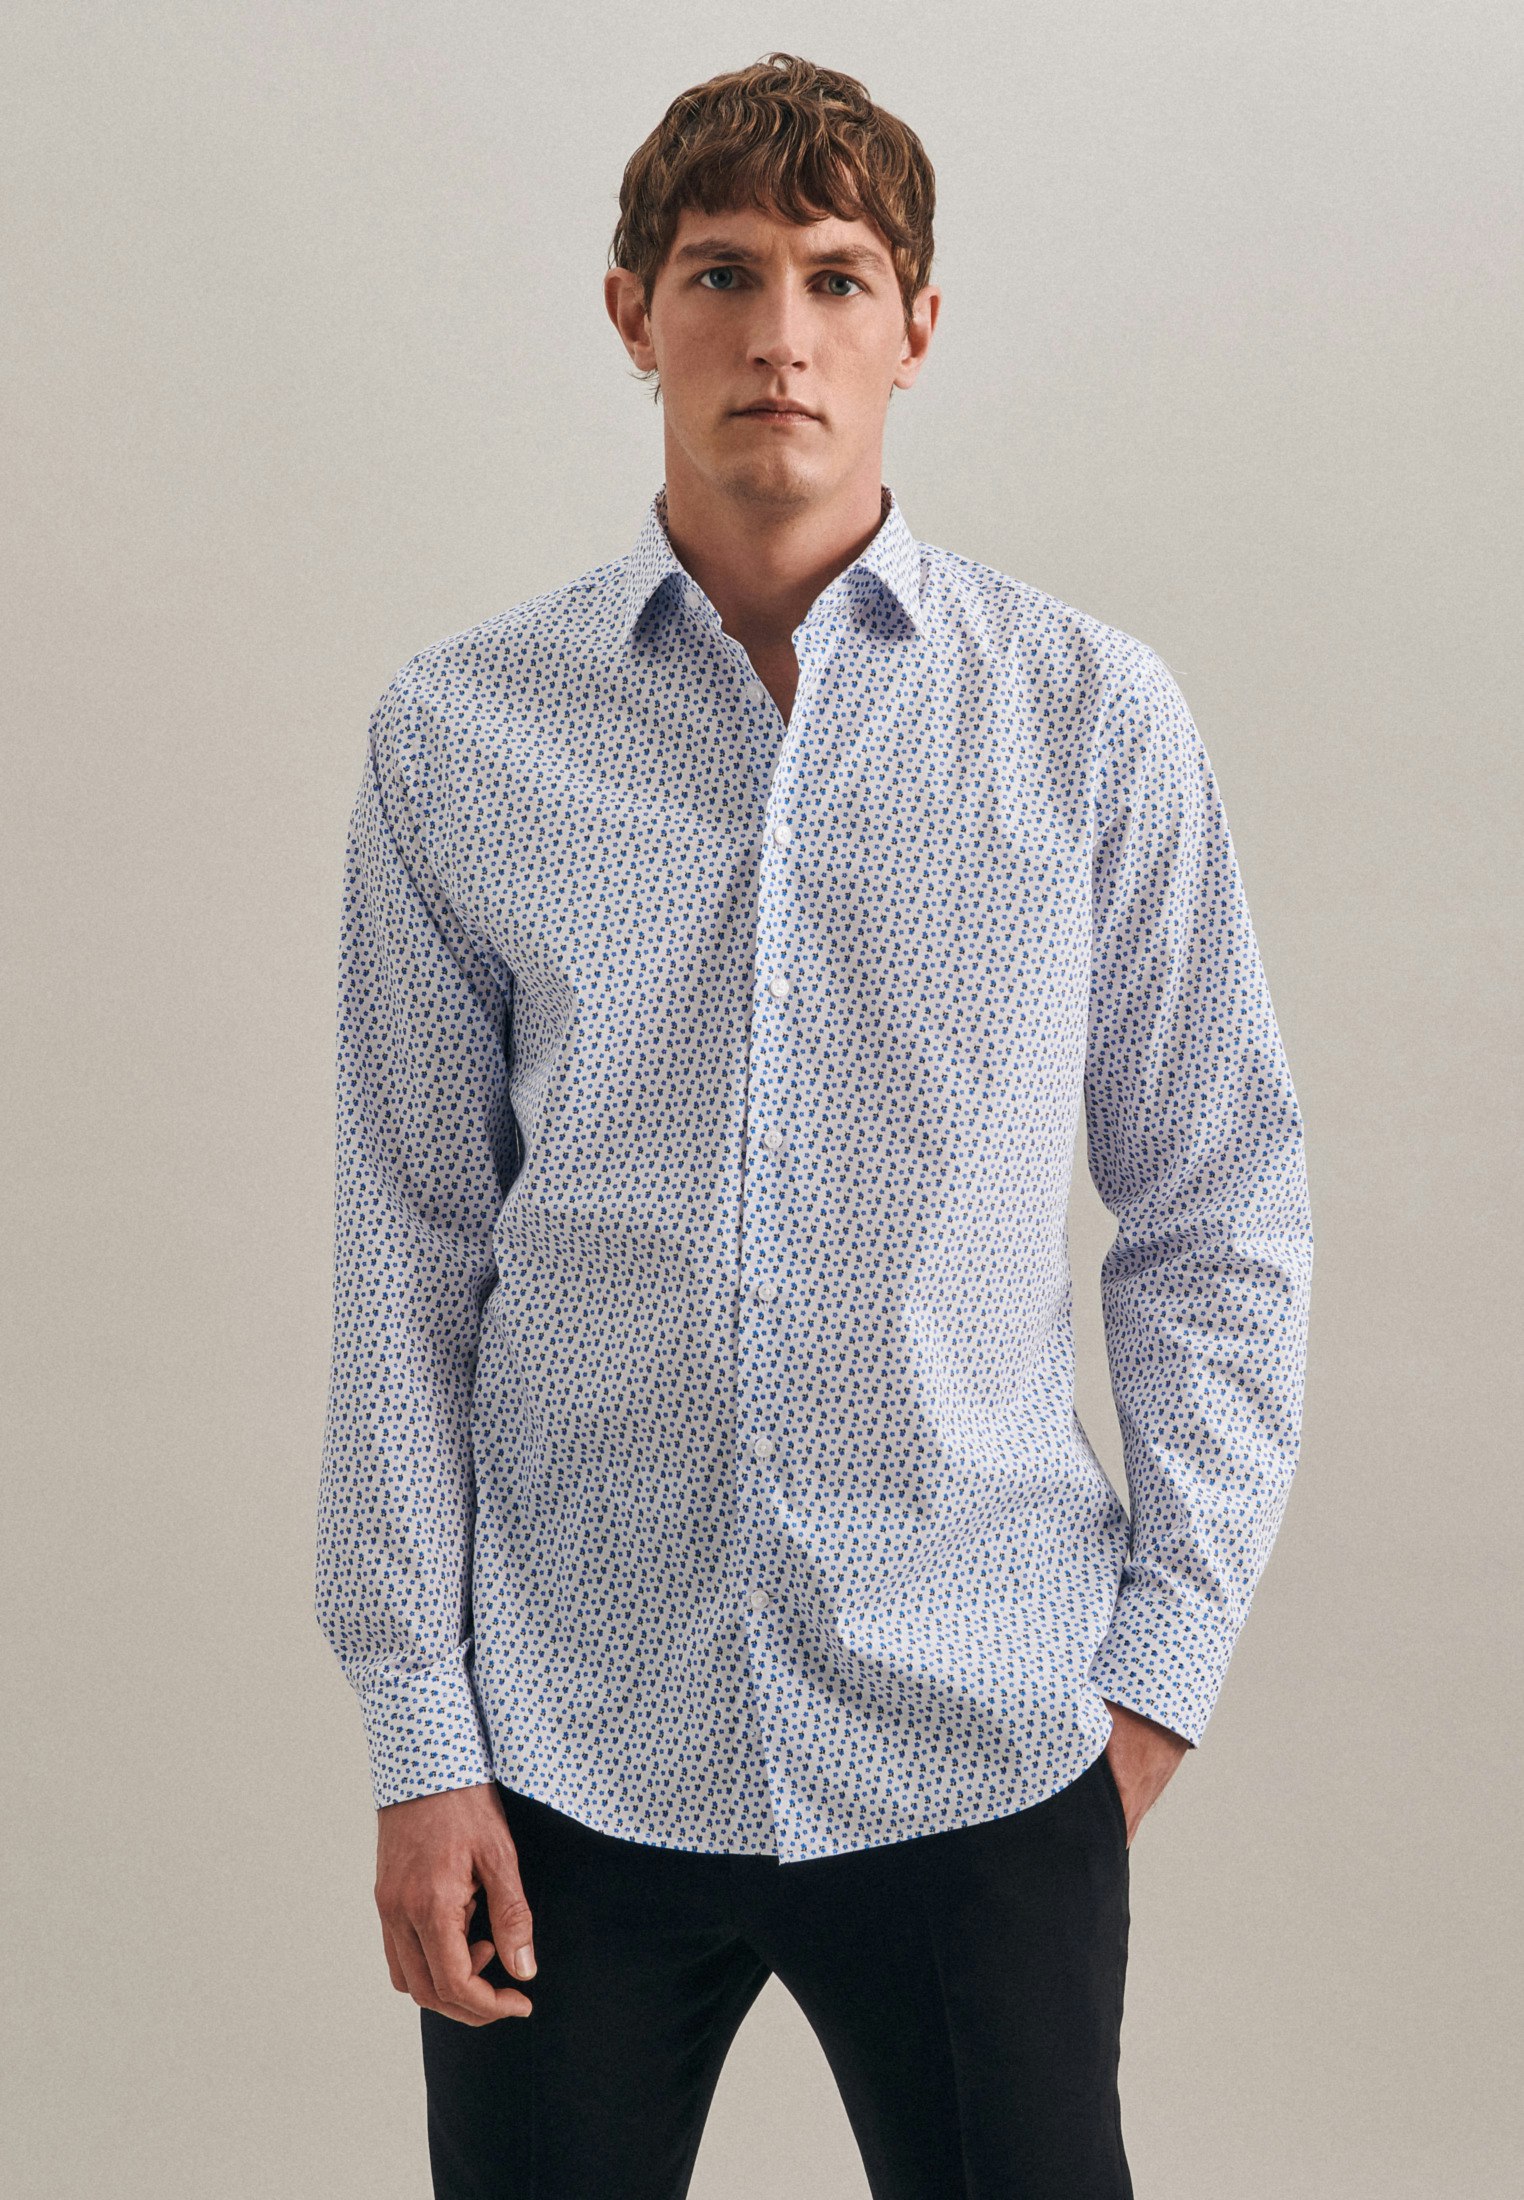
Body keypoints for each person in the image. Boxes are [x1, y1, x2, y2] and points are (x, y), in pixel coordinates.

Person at [315, 50, 1313, 2200]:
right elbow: (406, 1249)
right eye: (724, 272)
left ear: (914, 326)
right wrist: (418, 1732)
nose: (781, 331)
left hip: (982, 1732)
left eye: (838, 278)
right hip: (566, 1748)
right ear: (633, 310)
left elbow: (1220, 1199)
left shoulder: (1090, 720)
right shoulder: (459, 737)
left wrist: (1157, 1671)